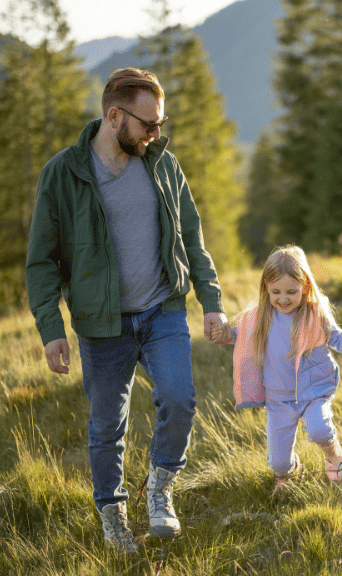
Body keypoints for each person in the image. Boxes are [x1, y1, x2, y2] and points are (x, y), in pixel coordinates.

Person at [26, 68, 231, 553]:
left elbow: (192, 240)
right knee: (105, 427)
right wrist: (51, 329)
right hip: (103, 325)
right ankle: (114, 516)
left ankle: (160, 489)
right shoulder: (63, 174)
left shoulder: (162, 164)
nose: (156, 134)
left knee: (179, 399)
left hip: (162, 311)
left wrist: (213, 304)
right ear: (114, 115)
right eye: (148, 124)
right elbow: (41, 261)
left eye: (160, 124)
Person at [212, 245, 342, 494]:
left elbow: (341, 341)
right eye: (275, 292)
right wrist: (224, 335)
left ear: (305, 287)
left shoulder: (314, 315)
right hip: (279, 399)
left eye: (291, 292)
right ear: (266, 288)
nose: (283, 299)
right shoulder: (259, 317)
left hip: (313, 391)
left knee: (320, 430)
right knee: (278, 463)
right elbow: (239, 337)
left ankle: (331, 450)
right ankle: (288, 473)